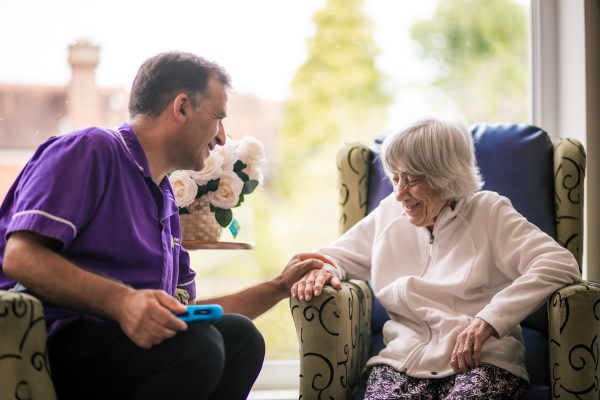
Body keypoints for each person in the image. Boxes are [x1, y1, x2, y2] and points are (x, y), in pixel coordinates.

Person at [0, 51, 331, 400]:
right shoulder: (90, 149)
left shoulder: (165, 199)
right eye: (218, 118)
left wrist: (278, 286)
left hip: (120, 350)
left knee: (240, 338)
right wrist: (123, 302)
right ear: (182, 107)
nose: (222, 137)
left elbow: (183, 312)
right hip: (55, 345)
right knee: (199, 347)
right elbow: (20, 257)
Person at [291, 117, 581, 399]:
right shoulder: (389, 212)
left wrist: (489, 320)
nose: (400, 193)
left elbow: (559, 263)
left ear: (447, 176)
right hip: (400, 362)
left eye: (413, 179)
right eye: (395, 177)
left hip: (481, 361)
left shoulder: (489, 212)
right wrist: (323, 269)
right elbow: (334, 256)